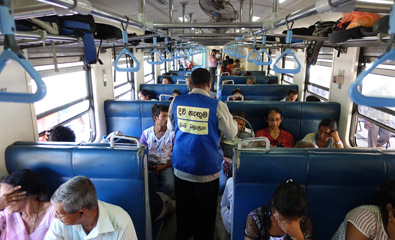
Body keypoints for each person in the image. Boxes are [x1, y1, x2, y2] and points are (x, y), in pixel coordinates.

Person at [167, 68, 238, 240]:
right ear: (209, 84)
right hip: (207, 170)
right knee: (205, 212)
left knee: (184, 208)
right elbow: (231, 133)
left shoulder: (176, 101)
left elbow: (170, 128)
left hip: (181, 166)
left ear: (190, 83)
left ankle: (184, 234)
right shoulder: (217, 105)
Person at [44, 176, 137, 240]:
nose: (55, 216)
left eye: (60, 214)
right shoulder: (60, 222)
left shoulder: (121, 222)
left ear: (81, 213)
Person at [244, 179, 313, 240]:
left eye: (295, 218)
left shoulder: (304, 221)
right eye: (286, 218)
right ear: (273, 203)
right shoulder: (257, 218)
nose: (290, 223)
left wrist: (297, 236)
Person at [0, 169, 55, 239]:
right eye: (2, 199)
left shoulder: (53, 212)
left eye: (9, 198)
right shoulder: (6, 215)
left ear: (26, 194)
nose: (5, 203)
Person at [140, 104, 175, 198]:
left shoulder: (172, 134)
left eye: (168, 116)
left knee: (169, 186)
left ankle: (168, 204)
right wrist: (150, 167)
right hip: (149, 165)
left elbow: (176, 155)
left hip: (166, 164)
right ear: (155, 118)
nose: (167, 119)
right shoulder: (146, 134)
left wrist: (163, 166)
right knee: (149, 185)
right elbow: (142, 155)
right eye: (164, 116)